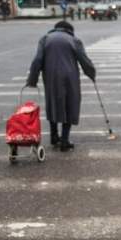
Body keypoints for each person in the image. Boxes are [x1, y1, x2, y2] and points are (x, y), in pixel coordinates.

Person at [26, 20, 96, 152]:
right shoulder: (74, 40)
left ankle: (54, 137)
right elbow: (84, 60)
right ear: (69, 30)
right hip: (70, 78)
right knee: (69, 105)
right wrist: (91, 74)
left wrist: (32, 79)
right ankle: (64, 140)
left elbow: (37, 60)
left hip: (51, 77)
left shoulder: (45, 39)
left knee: (53, 104)